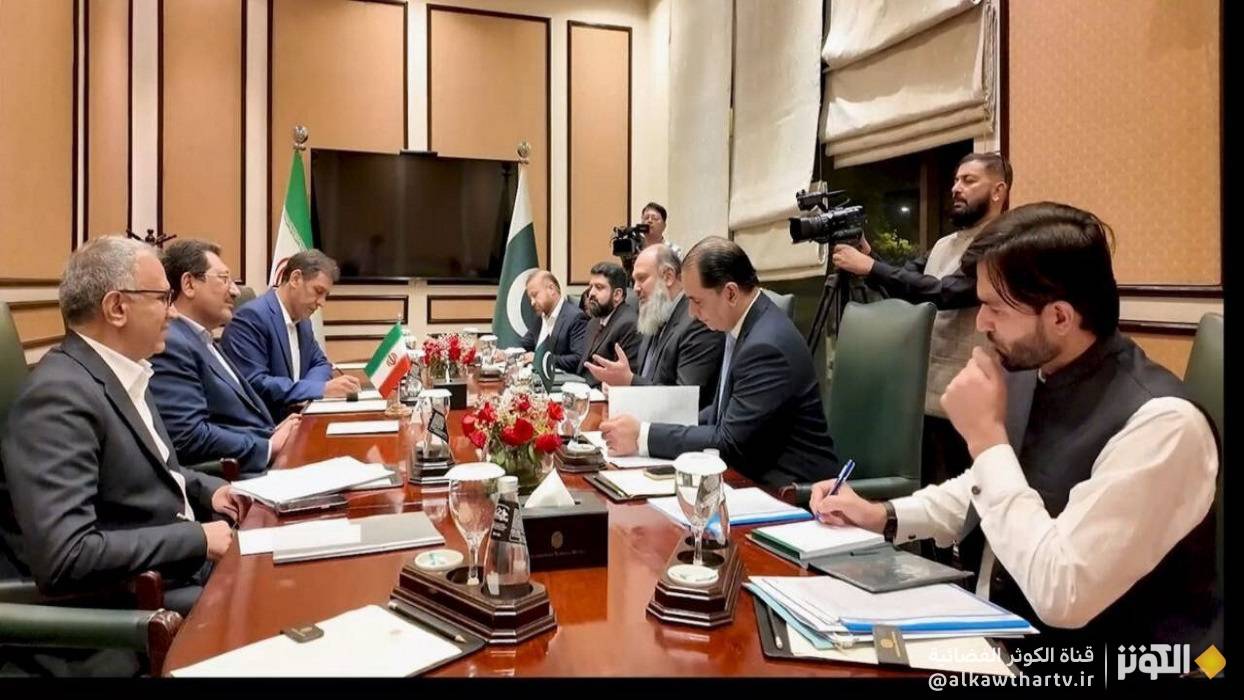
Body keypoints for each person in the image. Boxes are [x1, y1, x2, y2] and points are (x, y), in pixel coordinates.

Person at [810, 202, 1218, 647]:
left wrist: (986, 438)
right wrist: (884, 515)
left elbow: (1063, 595)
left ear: (1059, 317)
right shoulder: (1033, 370)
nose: (981, 321)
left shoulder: (1164, 425)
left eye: (995, 308)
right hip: (990, 627)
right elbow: (988, 486)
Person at [0, 237, 246, 674]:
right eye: (162, 298)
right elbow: (68, 556)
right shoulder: (58, 398)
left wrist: (211, 490)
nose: (173, 312)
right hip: (126, 611)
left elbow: (152, 471)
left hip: (176, 575)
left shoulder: (125, 371)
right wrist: (196, 539)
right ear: (117, 308)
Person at [831, 152, 1013, 486]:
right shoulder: (945, 244)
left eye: (969, 181)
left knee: (960, 500)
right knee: (926, 493)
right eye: (955, 180)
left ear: (998, 191)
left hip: (967, 397)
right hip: (923, 394)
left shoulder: (1002, 245)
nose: (956, 188)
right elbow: (907, 283)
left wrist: (870, 267)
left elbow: (946, 292)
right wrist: (870, 257)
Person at [599, 237, 839, 486]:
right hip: (750, 474)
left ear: (731, 293)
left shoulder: (766, 346)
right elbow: (717, 413)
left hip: (790, 490)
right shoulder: (740, 324)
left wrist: (643, 436)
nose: (691, 313)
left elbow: (729, 442)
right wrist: (649, 427)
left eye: (696, 301)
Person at [149, 240, 302, 479]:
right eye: (224, 279)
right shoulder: (172, 344)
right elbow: (188, 436)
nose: (235, 291)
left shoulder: (202, 339)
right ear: (189, 284)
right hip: (234, 478)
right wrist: (268, 446)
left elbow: (229, 419)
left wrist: (271, 432)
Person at [220, 249, 360, 420]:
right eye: (318, 291)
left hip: (297, 419)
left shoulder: (304, 321)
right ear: (295, 279)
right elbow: (254, 383)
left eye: (325, 296)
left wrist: (307, 391)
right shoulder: (251, 317)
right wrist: (319, 389)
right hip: (267, 426)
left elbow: (321, 363)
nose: (322, 303)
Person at [584, 244, 724, 409]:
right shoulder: (654, 316)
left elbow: (684, 402)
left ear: (668, 276)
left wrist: (628, 381)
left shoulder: (697, 322)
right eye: (634, 280)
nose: (635, 288)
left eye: (642, 278)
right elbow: (647, 381)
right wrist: (621, 389)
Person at [577, 262, 640, 386]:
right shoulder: (594, 322)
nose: (591, 293)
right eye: (591, 287)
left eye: (599, 287)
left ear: (617, 295)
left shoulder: (629, 325)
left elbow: (624, 380)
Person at [515, 270, 588, 373]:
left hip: (564, 379)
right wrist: (506, 354)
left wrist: (540, 359)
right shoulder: (541, 317)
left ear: (551, 289)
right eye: (530, 298)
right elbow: (524, 344)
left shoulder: (576, 317)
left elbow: (578, 359)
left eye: (535, 295)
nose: (532, 302)